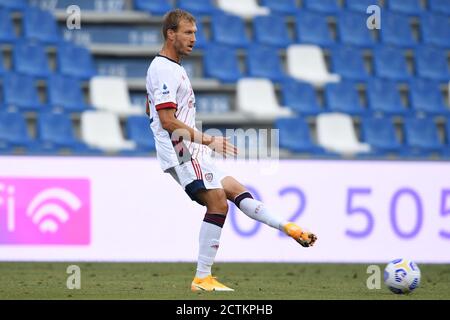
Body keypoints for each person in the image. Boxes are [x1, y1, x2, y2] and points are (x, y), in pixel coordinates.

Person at [146, 9, 317, 292]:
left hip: (188, 147)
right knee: (218, 202)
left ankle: (289, 228)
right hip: (182, 148)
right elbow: (166, 120)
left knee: (236, 190)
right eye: (188, 33)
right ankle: (202, 277)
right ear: (170, 34)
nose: (193, 39)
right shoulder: (163, 68)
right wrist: (207, 140)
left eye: (195, 33)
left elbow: (152, 109)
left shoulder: (172, 68)